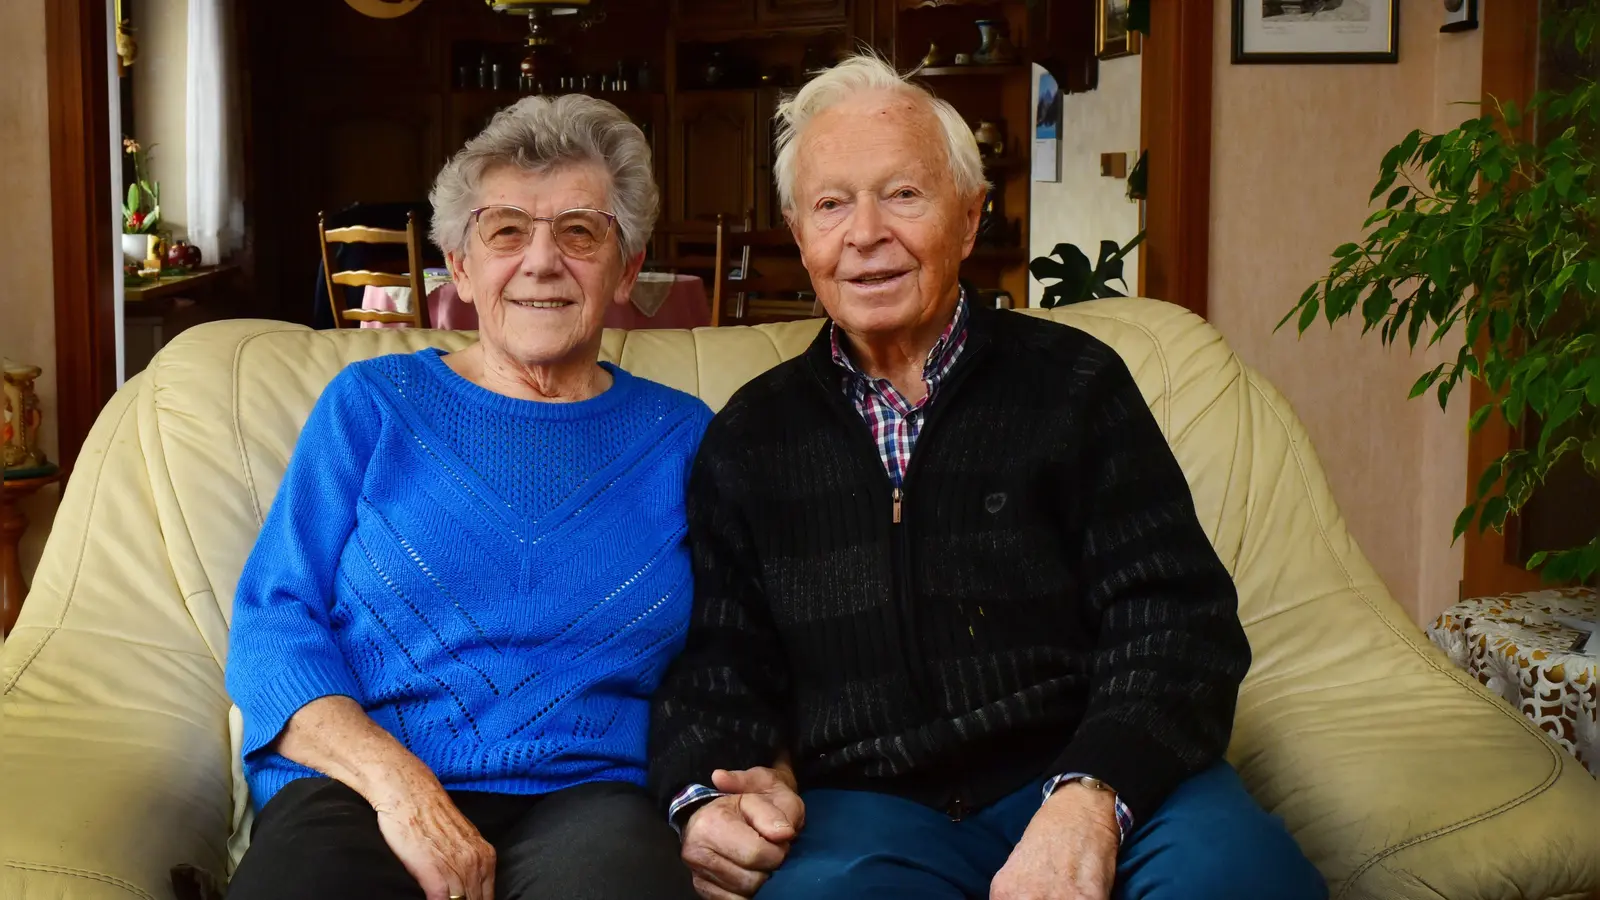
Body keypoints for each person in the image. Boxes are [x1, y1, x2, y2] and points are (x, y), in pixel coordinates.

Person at [647, 54, 1327, 900]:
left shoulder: (1076, 386)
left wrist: (1090, 797)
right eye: (831, 204)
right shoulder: (751, 437)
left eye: (903, 195)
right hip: (869, 806)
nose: (864, 234)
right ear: (799, 234)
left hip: (1090, 768)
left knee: (1238, 882)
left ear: (969, 220)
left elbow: (1178, 622)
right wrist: (700, 802)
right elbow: (719, 670)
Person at [226, 93, 708, 900]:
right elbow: (275, 619)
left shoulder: (684, 439)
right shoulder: (371, 405)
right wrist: (398, 786)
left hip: (591, 797)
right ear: (461, 262)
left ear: (628, 269)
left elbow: (732, 654)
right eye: (506, 229)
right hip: (361, 789)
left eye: (581, 232)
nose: (542, 260)